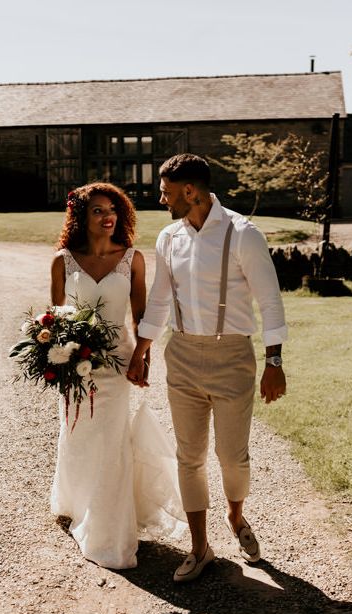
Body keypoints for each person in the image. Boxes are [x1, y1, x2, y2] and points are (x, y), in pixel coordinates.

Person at [126, 154, 288, 582]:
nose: (161, 199)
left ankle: (236, 517)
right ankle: (200, 547)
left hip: (232, 356)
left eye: (166, 192)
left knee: (232, 457)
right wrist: (143, 349)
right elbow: (160, 299)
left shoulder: (243, 234)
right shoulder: (169, 238)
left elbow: (269, 301)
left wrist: (274, 360)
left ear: (189, 192)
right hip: (180, 355)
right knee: (189, 456)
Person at [50, 182, 184, 570]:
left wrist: (144, 357)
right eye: (97, 210)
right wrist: (57, 356)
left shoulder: (132, 259)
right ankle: (76, 502)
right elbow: (55, 317)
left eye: (113, 209)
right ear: (81, 217)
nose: (107, 216)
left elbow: (139, 316)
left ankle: (108, 531)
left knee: (110, 441)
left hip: (116, 364)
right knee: (76, 433)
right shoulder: (63, 260)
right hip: (75, 365)